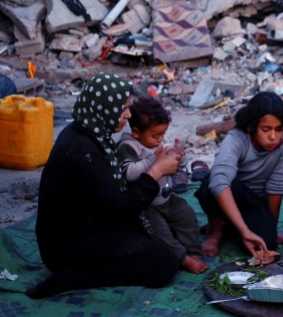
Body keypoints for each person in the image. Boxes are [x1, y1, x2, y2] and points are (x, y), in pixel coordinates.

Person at [27, 73, 181, 299]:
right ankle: (74, 277)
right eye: (123, 109)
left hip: (85, 225)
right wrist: (156, 170)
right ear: (103, 108)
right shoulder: (83, 151)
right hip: (66, 247)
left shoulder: (87, 133)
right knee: (164, 263)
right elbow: (118, 208)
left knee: (157, 232)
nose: (128, 115)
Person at [195, 91, 283, 260]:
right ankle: (215, 230)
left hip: (254, 199)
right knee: (213, 180)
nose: (273, 136)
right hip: (230, 192)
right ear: (252, 126)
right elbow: (219, 182)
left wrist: (271, 228)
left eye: (279, 129)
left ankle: (231, 225)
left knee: (265, 244)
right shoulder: (236, 138)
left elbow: (276, 186)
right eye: (266, 129)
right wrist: (244, 230)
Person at [116, 97, 208, 274]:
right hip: (146, 206)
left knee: (186, 214)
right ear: (136, 132)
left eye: (162, 135)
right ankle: (183, 258)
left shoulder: (152, 143)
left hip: (165, 198)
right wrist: (154, 160)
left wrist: (180, 156)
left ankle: (192, 250)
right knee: (160, 233)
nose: (159, 140)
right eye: (155, 136)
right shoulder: (128, 146)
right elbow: (128, 172)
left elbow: (175, 166)